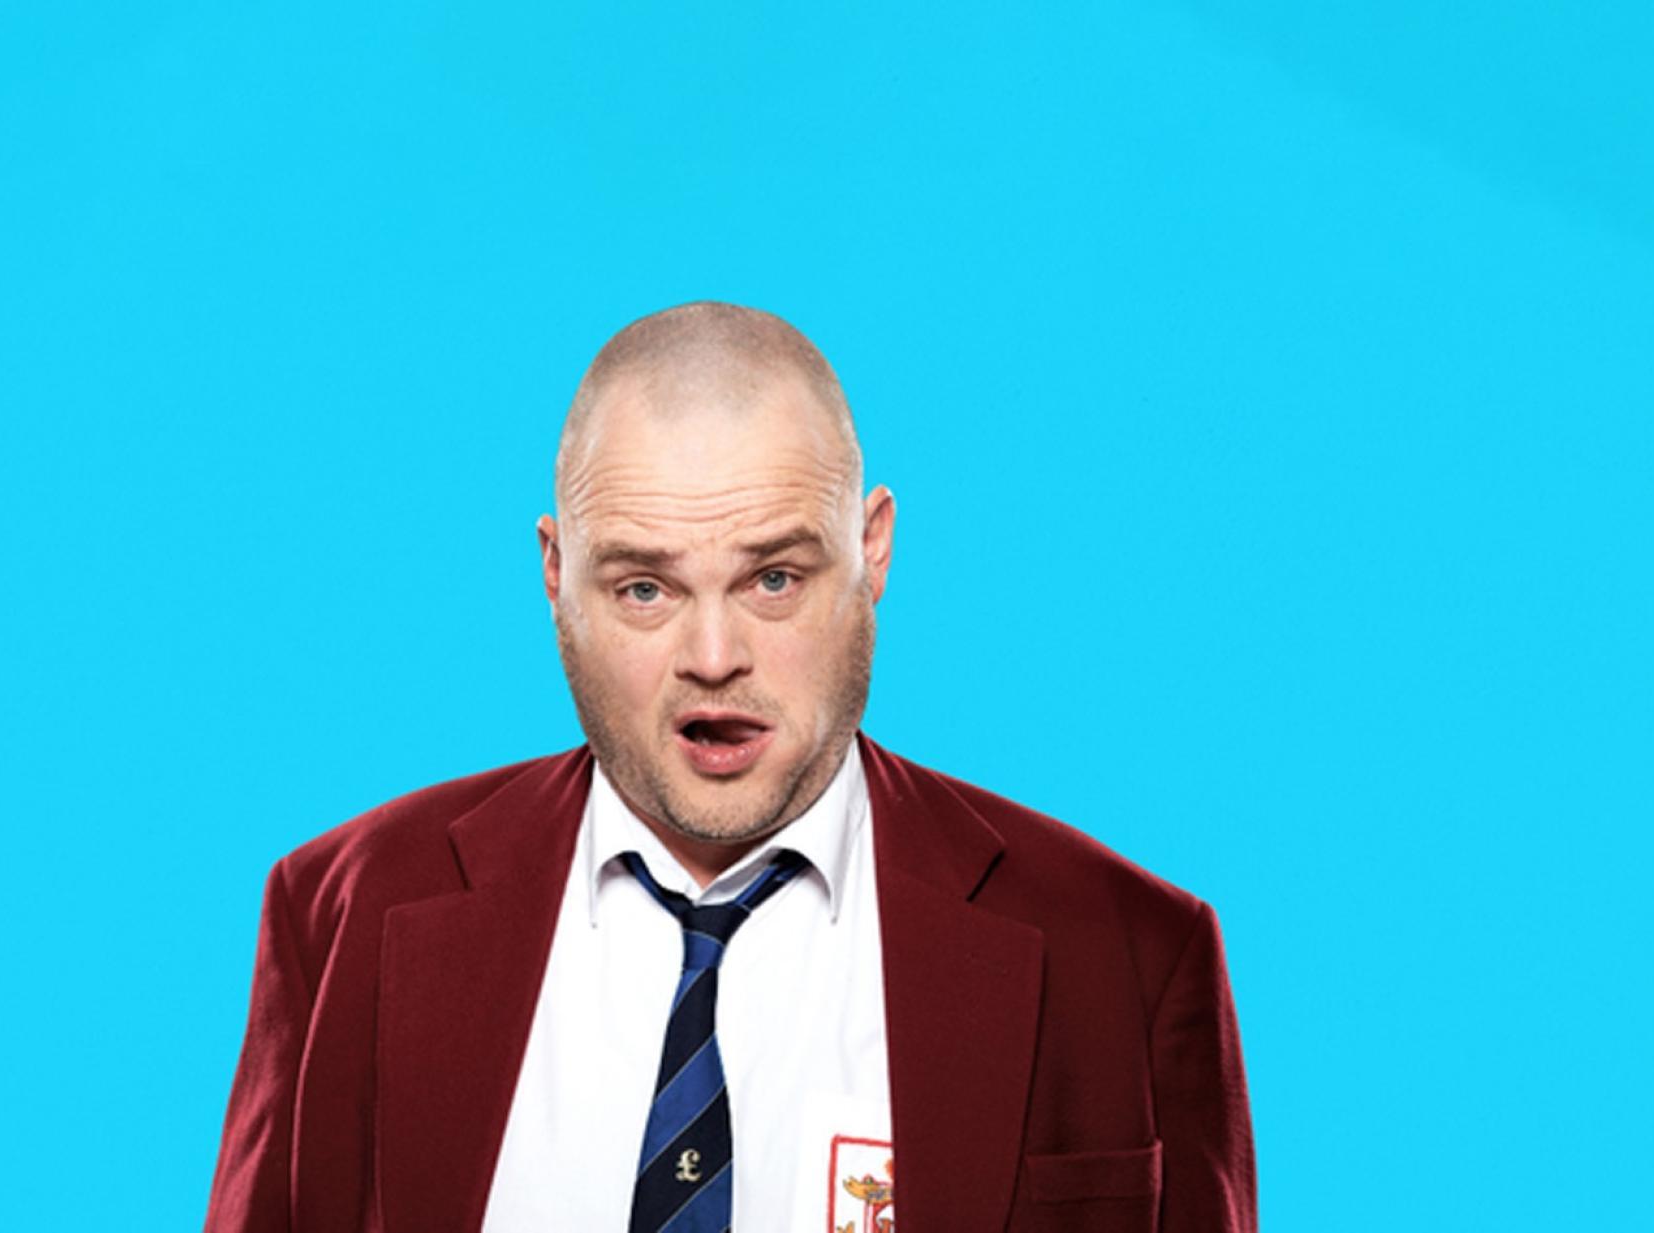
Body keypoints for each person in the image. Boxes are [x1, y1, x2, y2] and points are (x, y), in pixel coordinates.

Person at [202, 302, 1255, 1233]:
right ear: (556, 573)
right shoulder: (343, 909)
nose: (712, 659)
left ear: (874, 550)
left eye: (774, 578)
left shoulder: (1124, 955)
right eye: (644, 590)